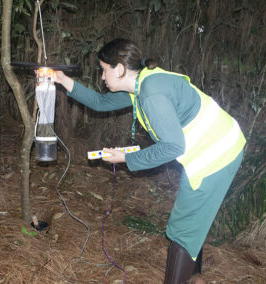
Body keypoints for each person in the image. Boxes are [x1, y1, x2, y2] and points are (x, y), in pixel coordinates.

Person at [54, 38, 246, 284]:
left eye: (104, 70)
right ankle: (195, 278)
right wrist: (62, 80)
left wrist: (125, 157)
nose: (102, 77)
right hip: (220, 144)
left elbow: (173, 146)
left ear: (120, 69)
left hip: (216, 155)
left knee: (181, 229)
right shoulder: (142, 82)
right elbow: (100, 103)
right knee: (192, 219)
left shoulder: (151, 93)